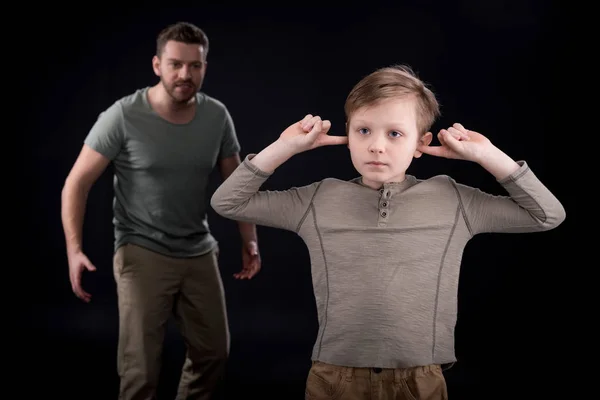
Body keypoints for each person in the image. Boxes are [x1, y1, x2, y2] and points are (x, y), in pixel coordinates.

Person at [209, 64, 566, 399]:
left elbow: (547, 215)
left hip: (419, 378)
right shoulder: (318, 199)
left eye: (395, 134)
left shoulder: (453, 199)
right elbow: (228, 203)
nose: (376, 145)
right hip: (335, 377)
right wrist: (284, 147)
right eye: (363, 130)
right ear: (347, 135)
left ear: (421, 143)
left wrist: (487, 156)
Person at [61, 21, 261, 400]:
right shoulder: (122, 116)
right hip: (141, 249)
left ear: (204, 67)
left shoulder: (217, 116)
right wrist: (74, 250)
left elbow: (237, 185)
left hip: (197, 250)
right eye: (175, 64)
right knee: (140, 369)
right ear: (157, 65)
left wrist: (250, 240)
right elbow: (76, 183)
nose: (185, 74)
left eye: (195, 66)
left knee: (213, 353)